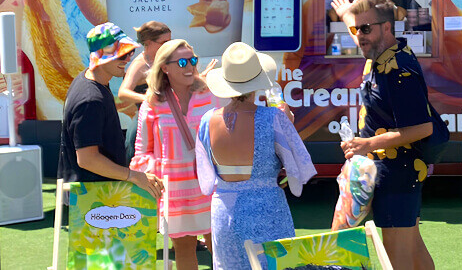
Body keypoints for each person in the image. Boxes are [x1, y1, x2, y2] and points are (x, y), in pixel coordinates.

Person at [332, 0, 449, 270]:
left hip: (398, 174)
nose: (359, 36)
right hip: (392, 172)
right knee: (414, 251)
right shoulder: (378, 54)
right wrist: (346, 14)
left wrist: (367, 144)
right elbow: (360, 28)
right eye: (355, 30)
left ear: (387, 28)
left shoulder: (399, 71)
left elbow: (422, 127)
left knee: (399, 259)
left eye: (366, 29)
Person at [195, 42, 316, 270]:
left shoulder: (206, 119)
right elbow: (300, 167)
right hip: (267, 209)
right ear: (257, 82)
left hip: (224, 211)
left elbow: (204, 175)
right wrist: (287, 123)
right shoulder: (273, 117)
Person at [130, 39, 217, 269]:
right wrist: (156, 169)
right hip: (175, 191)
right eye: (181, 62)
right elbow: (142, 149)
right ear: (165, 67)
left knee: (220, 247)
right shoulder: (152, 103)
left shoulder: (211, 94)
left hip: (210, 186)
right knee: (184, 251)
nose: (189, 66)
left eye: (192, 60)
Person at [56, 22, 163, 200]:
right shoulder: (90, 100)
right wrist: (133, 176)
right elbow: (88, 159)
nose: (127, 59)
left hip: (98, 193)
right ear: (100, 56)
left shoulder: (89, 80)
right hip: (91, 198)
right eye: (121, 55)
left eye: (129, 52)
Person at [118, 21, 172, 162]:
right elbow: (123, 92)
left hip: (164, 122)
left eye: (170, 40)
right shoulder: (140, 64)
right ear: (148, 42)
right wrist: (148, 99)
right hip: (143, 126)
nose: (169, 45)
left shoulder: (166, 59)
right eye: (164, 42)